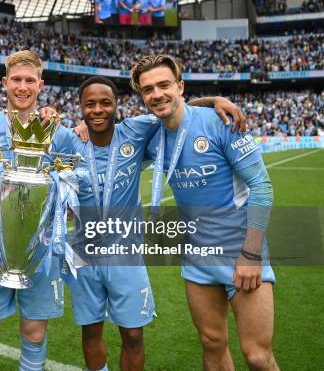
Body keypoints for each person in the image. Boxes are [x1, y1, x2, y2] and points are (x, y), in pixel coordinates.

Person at [53, 76, 247, 371]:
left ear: (118, 105)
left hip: (126, 255)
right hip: (83, 254)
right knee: (90, 330)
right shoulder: (69, 140)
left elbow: (171, 111)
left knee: (133, 335)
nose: (97, 110)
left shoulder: (135, 130)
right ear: (79, 107)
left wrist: (213, 101)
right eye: (89, 104)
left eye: (105, 102)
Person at [131, 54, 279, 371]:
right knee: (212, 345)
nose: (156, 94)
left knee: (257, 355)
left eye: (164, 85)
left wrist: (251, 254)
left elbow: (262, 186)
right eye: (148, 90)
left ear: (180, 86)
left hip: (241, 251)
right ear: (142, 97)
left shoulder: (220, 122)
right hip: (197, 256)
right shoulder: (151, 135)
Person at [0, 50, 72, 371]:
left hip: (40, 251)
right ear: (5, 82)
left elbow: (73, 187)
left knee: (33, 336)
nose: (22, 87)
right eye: (17, 80)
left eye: (30, 81)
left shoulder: (59, 132)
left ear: (41, 85)